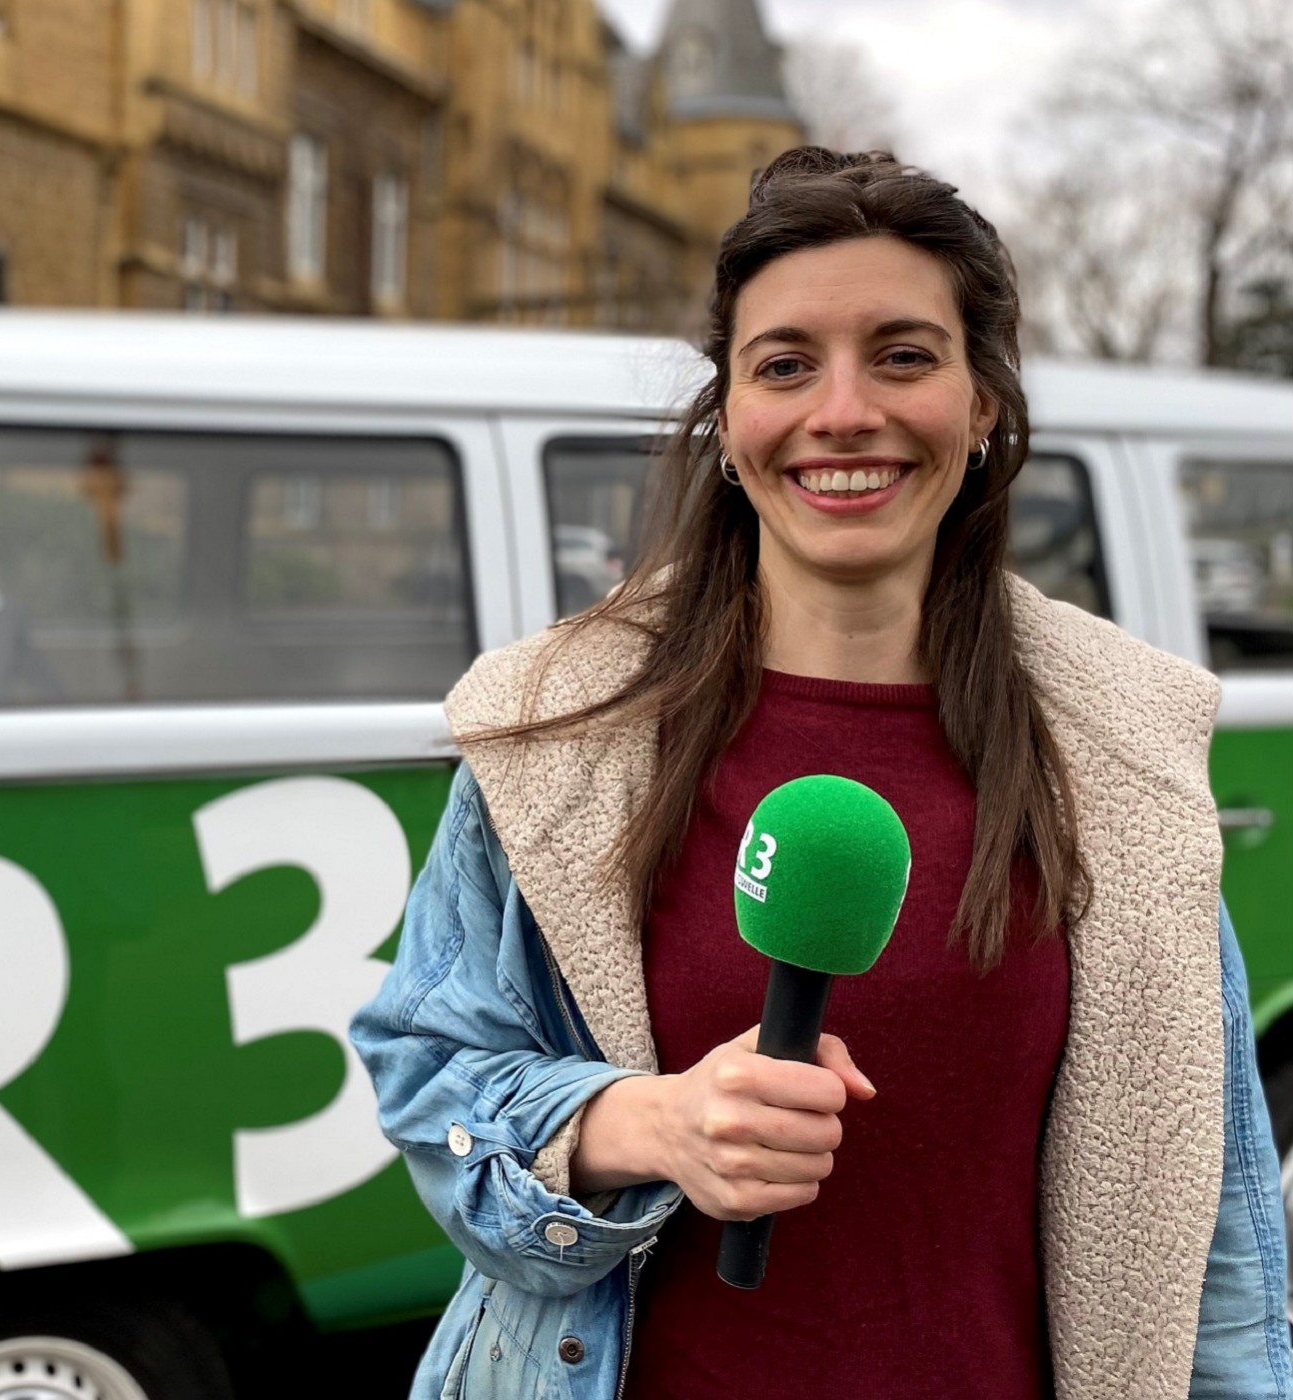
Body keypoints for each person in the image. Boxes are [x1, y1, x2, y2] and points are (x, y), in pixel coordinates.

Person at [351, 148, 1292, 1399]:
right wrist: (650, 1124)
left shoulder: (1119, 747)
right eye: (784, 363)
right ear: (729, 423)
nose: (841, 410)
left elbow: (1218, 1236)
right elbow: (429, 1072)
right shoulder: (556, 725)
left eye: (902, 356)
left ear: (982, 405)